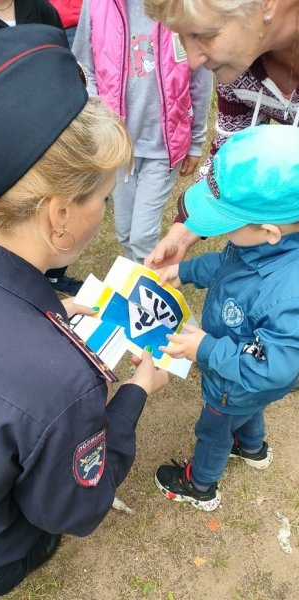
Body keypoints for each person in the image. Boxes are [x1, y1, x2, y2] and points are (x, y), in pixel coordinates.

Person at [0, 24, 168, 598]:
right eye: (104, 195)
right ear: (59, 213)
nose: (104, 209)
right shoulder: (63, 377)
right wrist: (139, 389)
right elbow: (73, 508)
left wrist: (51, 309)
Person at [151, 124, 299, 512]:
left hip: (236, 380)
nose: (221, 233)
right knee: (249, 410)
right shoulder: (266, 247)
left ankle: (200, 485)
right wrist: (184, 271)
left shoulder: (288, 295)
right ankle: (252, 447)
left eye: (227, 224)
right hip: (250, 389)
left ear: (268, 231)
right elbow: (227, 263)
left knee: (213, 430)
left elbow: (274, 370)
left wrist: (206, 348)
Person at [143, 0, 299, 270]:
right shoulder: (239, 66)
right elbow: (232, 148)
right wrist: (184, 231)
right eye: (182, 37)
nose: (192, 61)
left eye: (205, 35)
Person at [72, 0, 212, 264]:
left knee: (141, 238)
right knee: (125, 234)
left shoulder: (182, 8)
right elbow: (83, 67)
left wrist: (196, 141)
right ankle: (138, 287)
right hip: (118, 145)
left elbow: (200, 78)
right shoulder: (97, 5)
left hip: (163, 146)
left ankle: (145, 296)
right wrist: (98, 116)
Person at [0, 0, 86, 295]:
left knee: (59, 206)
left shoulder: (41, 10)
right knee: (16, 217)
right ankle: (19, 287)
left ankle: (53, 275)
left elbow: (62, 63)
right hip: (3, 142)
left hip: (52, 131)